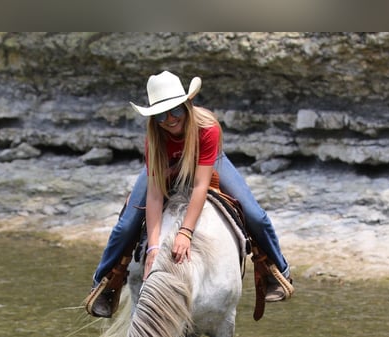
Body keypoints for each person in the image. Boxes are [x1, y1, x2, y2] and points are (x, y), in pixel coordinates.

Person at [85, 70, 293, 318]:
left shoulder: (207, 128)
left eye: (176, 111)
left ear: (187, 105)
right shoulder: (155, 138)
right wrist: (152, 249)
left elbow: (199, 186)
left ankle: (278, 271)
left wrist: (185, 232)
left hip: (207, 162)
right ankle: (104, 284)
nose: (169, 119)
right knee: (126, 224)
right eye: (161, 114)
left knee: (255, 215)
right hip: (167, 167)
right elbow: (154, 196)